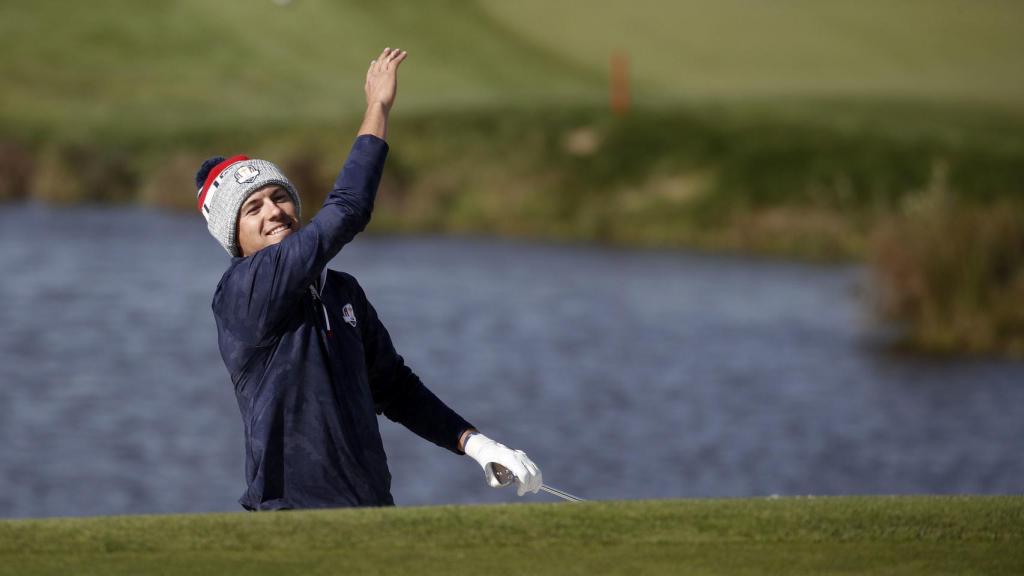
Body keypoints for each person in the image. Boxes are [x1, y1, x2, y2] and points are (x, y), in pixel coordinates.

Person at [193, 48, 542, 510]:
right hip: (293, 517)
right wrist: (377, 108)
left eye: (280, 197)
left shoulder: (341, 291)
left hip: (371, 510)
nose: (275, 211)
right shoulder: (243, 290)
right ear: (233, 236)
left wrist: (476, 445)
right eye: (252, 208)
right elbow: (347, 211)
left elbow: (395, 388)